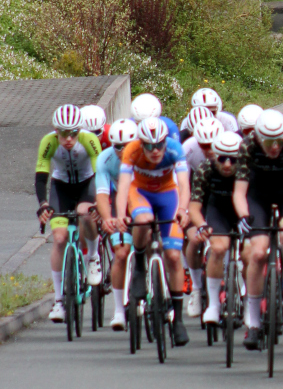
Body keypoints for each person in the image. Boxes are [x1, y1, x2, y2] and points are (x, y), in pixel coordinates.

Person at [233, 110, 283, 349]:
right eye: (269, 142)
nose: (275, 147)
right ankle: (254, 323)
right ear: (258, 138)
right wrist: (243, 215)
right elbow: (239, 192)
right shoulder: (247, 147)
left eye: (279, 141)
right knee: (257, 253)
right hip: (259, 195)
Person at [116, 117, 191, 346]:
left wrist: (183, 209)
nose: (155, 150)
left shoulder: (175, 149)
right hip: (141, 193)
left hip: (169, 194)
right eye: (149, 146)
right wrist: (120, 214)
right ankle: (139, 265)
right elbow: (123, 187)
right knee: (143, 220)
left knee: (173, 256)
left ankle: (177, 319)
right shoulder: (132, 150)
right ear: (141, 143)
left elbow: (184, 185)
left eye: (159, 144)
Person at [36, 105, 103, 323]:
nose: (68, 138)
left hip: (87, 184)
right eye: (64, 133)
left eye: (73, 132)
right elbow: (41, 177)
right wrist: (43, 204)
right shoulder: (48, 142)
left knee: (85, 213)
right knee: (59, 238)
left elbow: (100, 173)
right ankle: (58, 301)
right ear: (56, 130)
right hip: (61, 187)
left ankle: (93, 257)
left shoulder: (88, 140)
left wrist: (100, 204)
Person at [188, 131, 243, 326]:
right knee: (219, 248)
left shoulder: (249, 169)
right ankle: (213, 305)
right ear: (214, 156)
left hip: (244, 211)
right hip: (218, 209)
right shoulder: (205, 169)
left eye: (233, 159)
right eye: (222, 159)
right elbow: (194, 207)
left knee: (252, 252)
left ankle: (247, 292)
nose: (228, 164)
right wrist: (201, 225)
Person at [95, 119, 138, 330]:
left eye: (127, 145)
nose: (122, 150)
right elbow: (102, 195)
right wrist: (107, 218)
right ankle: (119, 310)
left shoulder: (145, 155)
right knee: (121, 253)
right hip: (118, 201)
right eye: (117, 146)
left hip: (142, 198)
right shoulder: (105, 158)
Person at [181, 117, 224, 318]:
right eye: (204, 145)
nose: (208, 150)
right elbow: (184, 183)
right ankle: (197, 288)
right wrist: (185, 209)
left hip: (222, 196)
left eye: (212, 145)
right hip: (196, 194)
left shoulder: (231, 145)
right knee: (193, 238)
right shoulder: (188, 148)